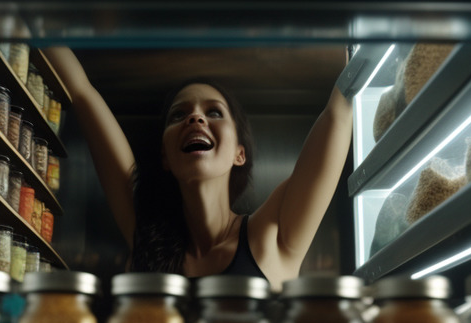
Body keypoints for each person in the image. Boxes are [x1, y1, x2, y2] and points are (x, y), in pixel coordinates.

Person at [45, 48, 352, 285]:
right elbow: (81, 90)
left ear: (239, 153)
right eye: (179, 115)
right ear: (165, 156)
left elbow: (337, 114)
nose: (195, 117)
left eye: (214, 112)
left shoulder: (270, 236)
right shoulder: (148, 238)